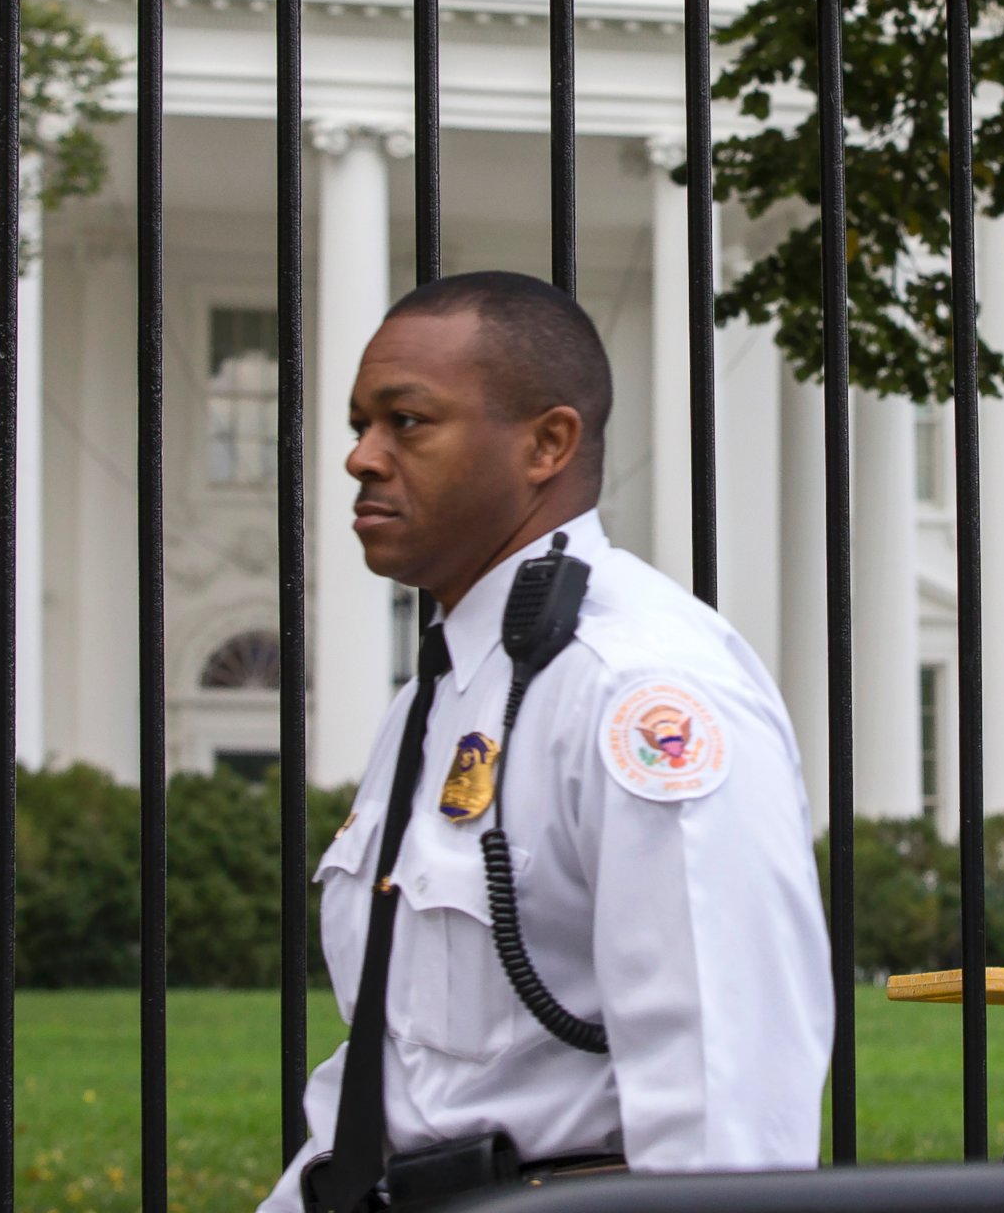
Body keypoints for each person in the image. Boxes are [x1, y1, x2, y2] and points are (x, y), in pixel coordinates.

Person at [260, 271, 831, 1212]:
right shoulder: (442, 691)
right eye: (359, 424)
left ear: (547, 444)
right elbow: (404, 1075)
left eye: (406, 422)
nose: (361, 457)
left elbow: (722, 1106)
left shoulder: (640, 691)